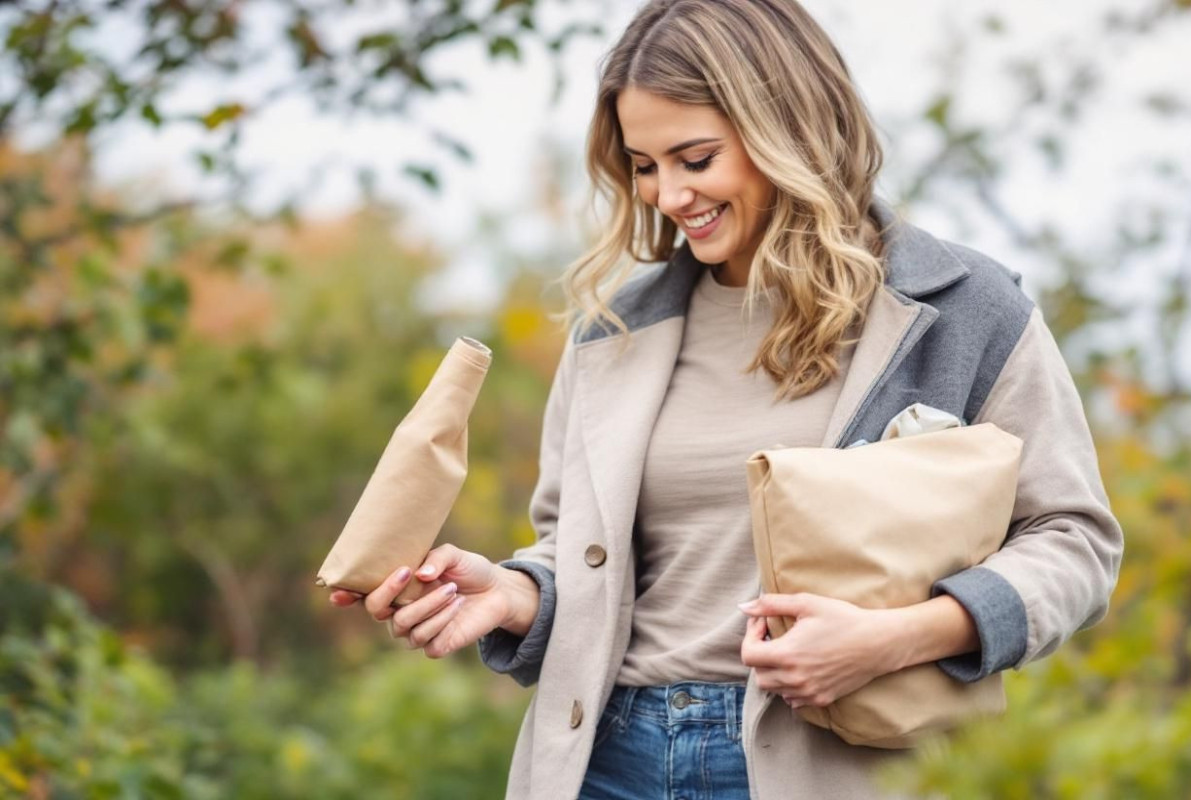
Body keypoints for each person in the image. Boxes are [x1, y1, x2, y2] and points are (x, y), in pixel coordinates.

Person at [330, 0, 1123, 797]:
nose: (667, 195)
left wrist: (897, 637)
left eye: (695, 158)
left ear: (787, 129)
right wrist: (512, 592)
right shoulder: (613, 333)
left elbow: (1075, 541)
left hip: (832, 768)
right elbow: (578, 553)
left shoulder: (959, 310)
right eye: (643, 166)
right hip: (608, 761)